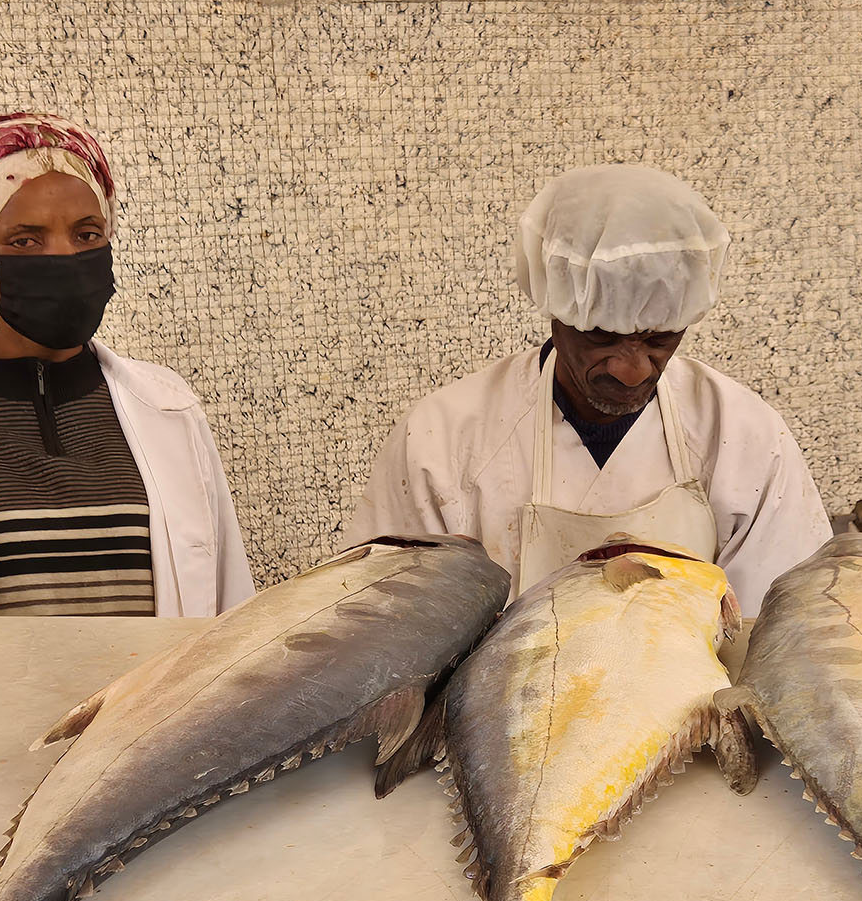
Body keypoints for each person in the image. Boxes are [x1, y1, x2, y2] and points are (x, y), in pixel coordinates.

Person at [343, 164, 830, 611]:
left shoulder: (744, 436)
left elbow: (779, 627)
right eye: (602, 335)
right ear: (556, 307)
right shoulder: (443, 441)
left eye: (660, 337)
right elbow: (387, 624)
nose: (632, 370)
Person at [0, 112, 253, 621]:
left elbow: (232, 621)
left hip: (154, 704)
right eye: (25, 241)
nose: (63, 257)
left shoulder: (170, 407)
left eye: (86, 234)